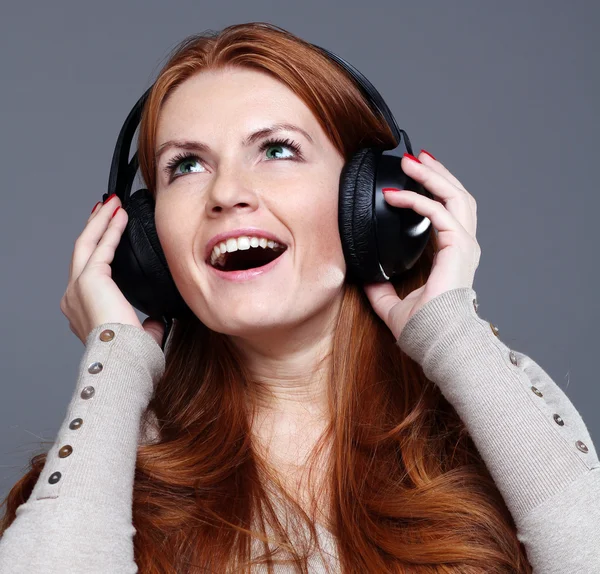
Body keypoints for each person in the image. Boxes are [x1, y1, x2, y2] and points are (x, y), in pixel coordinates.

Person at [0, 22, 598, 574]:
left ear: (373, 199)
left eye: (278, 150)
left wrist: (453, 335)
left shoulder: (500, 426)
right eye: (185, 166)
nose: (228, 193)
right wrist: (116, 359)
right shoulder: (94, 476)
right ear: (147, 239)